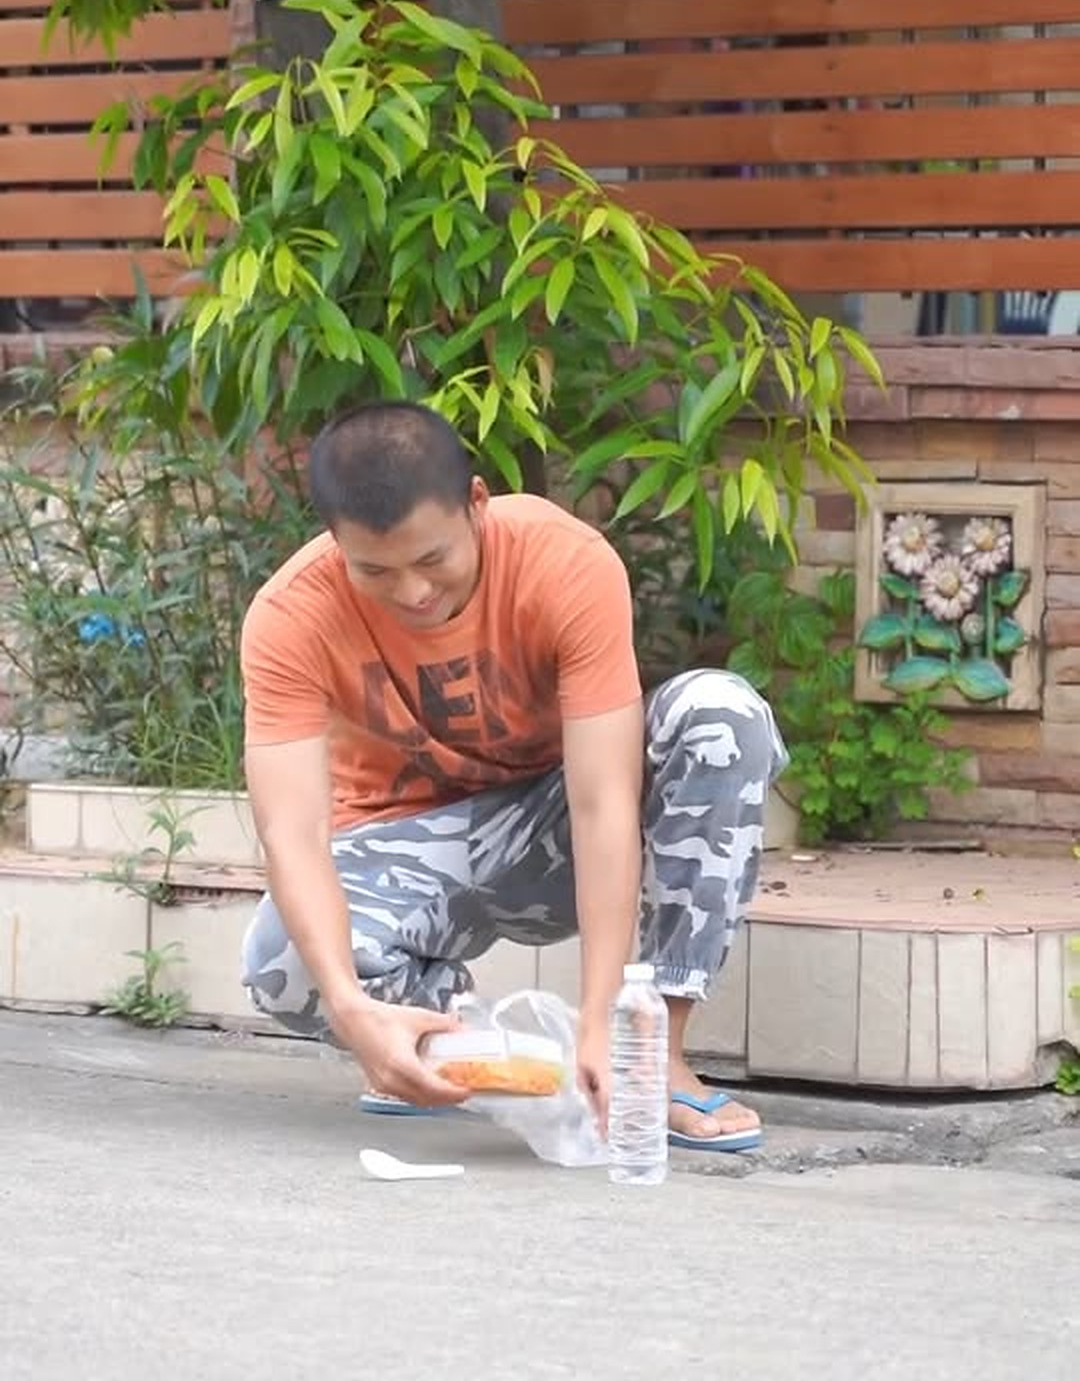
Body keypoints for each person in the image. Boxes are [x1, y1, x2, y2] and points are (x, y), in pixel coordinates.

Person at [240, 401, 786, 1150]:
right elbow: (292, 833)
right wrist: (349, 1006)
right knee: (281, 960)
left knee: (720, 715)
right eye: (375, 570)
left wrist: (605, 1017)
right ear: (335, 542)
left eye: (432, 559)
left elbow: (601, 800)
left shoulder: (563, 561)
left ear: (476, 503)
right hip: (410, 841)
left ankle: (646, 1055)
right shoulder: (290, 615)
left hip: (550, 827)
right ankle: (443, 1049)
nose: (412, 592)